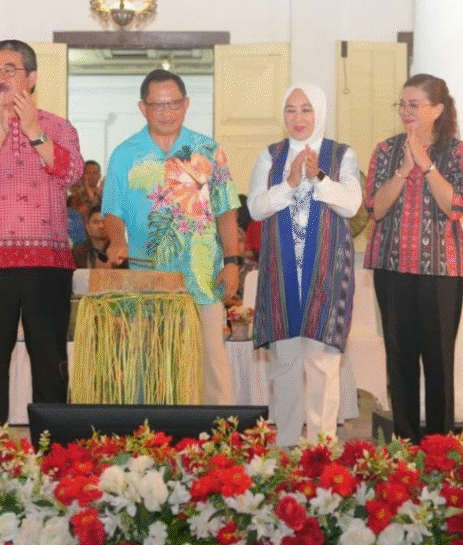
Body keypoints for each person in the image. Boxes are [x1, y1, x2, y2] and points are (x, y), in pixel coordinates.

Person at [0, 40, 83, 424]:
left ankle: (55, 456)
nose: (0, 77)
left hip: (48, 265)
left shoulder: (59, 127)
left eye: (10, 68)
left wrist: (33, 131)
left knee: (50, 360)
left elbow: (72, 173)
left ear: (32, 77)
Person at [103, 68, 240, 406]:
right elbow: (112, 212)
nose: (167, 113)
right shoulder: (124, 154)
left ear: (186, 104)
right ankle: (153, 437)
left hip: (202, 272)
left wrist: (233, 261)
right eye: (158, 106)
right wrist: (117, 239)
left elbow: (226, 211)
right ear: (142, 108)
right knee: (151, 359)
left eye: (174, 104)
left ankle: (219, 438)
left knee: (211, 360)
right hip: (147, 274)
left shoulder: (209, 150)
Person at [248, 83, 361, 446]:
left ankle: (320, 452)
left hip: (325, 273)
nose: (298, 118)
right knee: (285, 365)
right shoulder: (270, 156)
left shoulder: (341, 155)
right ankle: (284, 447)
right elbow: (255, 208)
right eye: (291, 110)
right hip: (282, 274)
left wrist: (318, 177)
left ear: (320, 113)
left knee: (322, 365)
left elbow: (351, 205)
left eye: (306, 109)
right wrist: (291, 183)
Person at [364, 73, 463, 441]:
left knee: (439, 360)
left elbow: (455, 206)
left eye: (415, 104)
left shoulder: (455, 151)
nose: (406, 111)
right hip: (392, 268)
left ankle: (441, 445)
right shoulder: (385, 149)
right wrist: (403, 169)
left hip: (440, 270)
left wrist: (425, 166)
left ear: (437, 109)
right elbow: (375, 209)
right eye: (402, 104)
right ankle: (405, 442)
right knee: (399, 359)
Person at [72, 204, 118, 269]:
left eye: (105, 222)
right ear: (87, 227)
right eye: (96, 222)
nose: (101, 226)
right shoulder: (77, 254)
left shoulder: (121, 252)